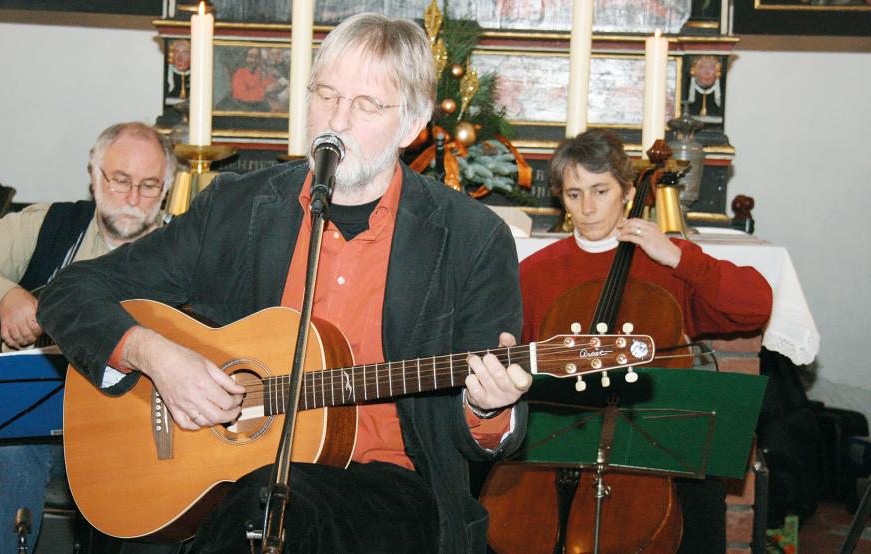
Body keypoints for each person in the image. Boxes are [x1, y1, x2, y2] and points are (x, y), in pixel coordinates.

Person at [38, 13, 531, 554]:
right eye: (326, 94)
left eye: (365, 104)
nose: (336, 119)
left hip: (392, 491)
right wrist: (154, 355)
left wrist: (488, 407)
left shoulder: (471, 239)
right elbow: (70, 292)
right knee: (182, 514)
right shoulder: (237, 208)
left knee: (275, 506)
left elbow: (480, 437)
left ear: (411, 125)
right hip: (222, 475)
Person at [0, 121, 177, 554]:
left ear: (166, 191)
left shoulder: (179, 248)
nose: (133, 198)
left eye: (149, 186)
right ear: (94, 178)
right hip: (45, 430)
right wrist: (4, 295)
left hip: (130, 434)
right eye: (120, 180)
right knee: (13, 445)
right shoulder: (52, 224)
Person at [519, 128, 773, 553]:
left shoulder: (664, 262)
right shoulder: (536, 272)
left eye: (601, 191)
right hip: (565, 441)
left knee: (702, 498)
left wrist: (676, 255)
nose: (588, 207)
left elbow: (755, 306)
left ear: (628, 191)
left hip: (651, 442)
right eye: (574, 194)